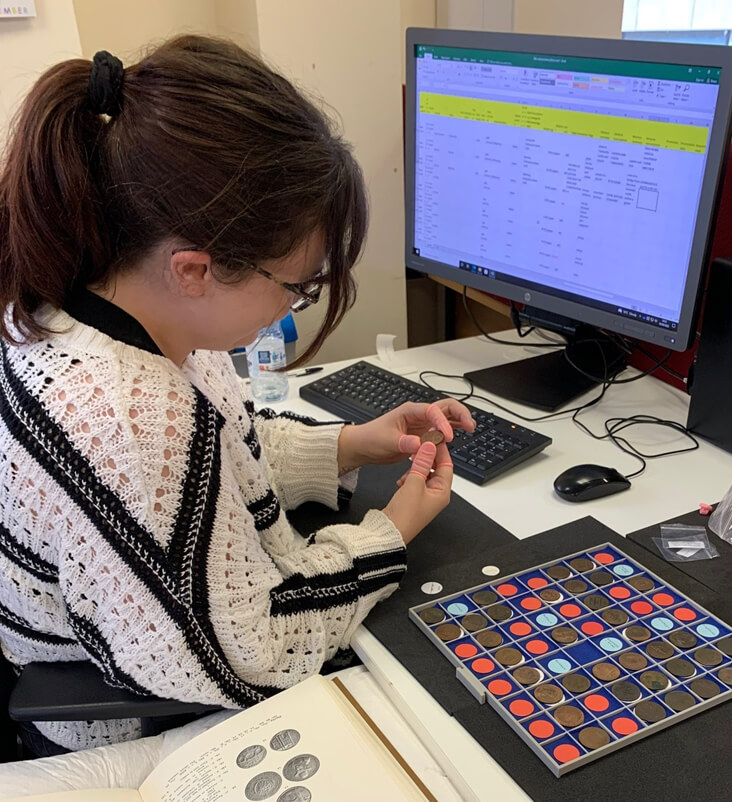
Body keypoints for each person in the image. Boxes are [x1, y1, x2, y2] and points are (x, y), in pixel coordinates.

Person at [0, 36, 474, 755]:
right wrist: (390, 532)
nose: (300, 303)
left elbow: (217, 453)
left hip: (170, 630)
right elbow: (250, 652)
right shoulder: (124, 418)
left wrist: (350, 443)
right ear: (195, 268)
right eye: (297, 285)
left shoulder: (103, 300)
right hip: (138, 714)